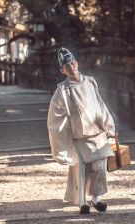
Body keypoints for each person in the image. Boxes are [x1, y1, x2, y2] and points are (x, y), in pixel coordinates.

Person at [47, 47, 115, 214]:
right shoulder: (62, 90)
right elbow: (55, 116)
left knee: (100, 168)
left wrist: (109, 125)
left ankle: (96, 199)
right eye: (66, 66)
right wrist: (64, 126)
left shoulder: (90, 81)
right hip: (78, 135)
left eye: (72, 63)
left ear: (76, 63)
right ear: (62, 70)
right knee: (81, 171)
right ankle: (83, 202)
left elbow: (100, 104)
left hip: (97, 132)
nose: (71, 67)